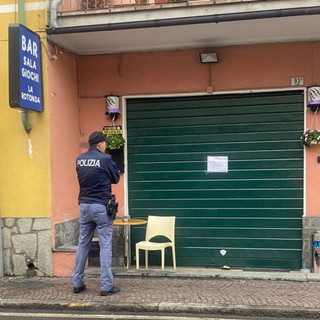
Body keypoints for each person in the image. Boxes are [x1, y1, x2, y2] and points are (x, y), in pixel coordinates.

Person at [72, 131, 120, 296]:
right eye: (105, 143)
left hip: (84, 205)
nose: (105, 145)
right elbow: (115, 179)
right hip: (101, 206)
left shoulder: (79, 159)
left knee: (82, 244)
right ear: (100, 144)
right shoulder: (105, 159)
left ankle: (77, 283)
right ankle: (106, 286)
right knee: (105, 246)